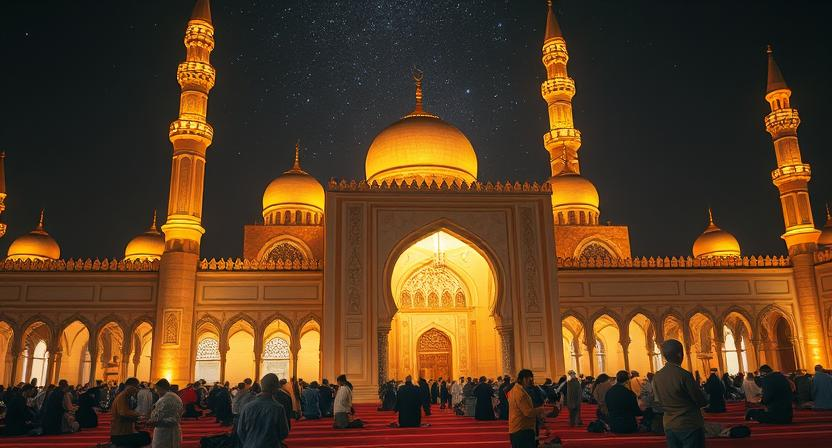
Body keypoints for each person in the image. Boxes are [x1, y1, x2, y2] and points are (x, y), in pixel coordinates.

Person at [652, 339, 707, 448]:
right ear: (679, 354)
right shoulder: (684, 375)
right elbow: (701, 401)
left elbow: (657, 402)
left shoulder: (657, 376)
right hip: (689, 423)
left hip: (669, 424)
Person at [236, 373, 290, 448]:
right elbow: (284, 432)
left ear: (262, 386)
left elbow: (240, 431)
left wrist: (249, 442)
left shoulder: (247, 407)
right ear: (275, 388)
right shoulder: (278, 408)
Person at [507, 369, 546, 448]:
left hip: (517, 428)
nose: (531, 381)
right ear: (524, 379)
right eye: (530, 379)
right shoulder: (520, 393)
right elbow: (528, 412)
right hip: (522, 430)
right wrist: (541, 409)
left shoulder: (515, 390)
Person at [111, 378, 151, 447]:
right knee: (146, 438)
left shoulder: (125, 396)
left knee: (145, 435)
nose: (137, 390)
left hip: (124, 433)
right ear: (130, 387)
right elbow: (123, 413)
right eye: (137, 387)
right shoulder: (122, 397)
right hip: (120, 435)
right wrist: (139, 415)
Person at [148, 378, 184, 448]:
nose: (156, 391)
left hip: (163, 431)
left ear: (159, 388)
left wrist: (150, 420)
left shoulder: (164, 399)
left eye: (156, 389)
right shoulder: (176, 397)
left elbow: (155, 418)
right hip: (175, 428)